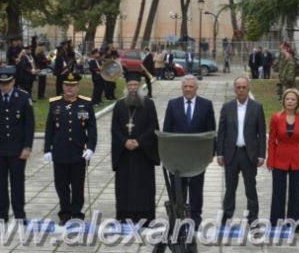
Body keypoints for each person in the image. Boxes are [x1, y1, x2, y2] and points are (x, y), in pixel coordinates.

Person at [0, 66, 35, 224]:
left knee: (17, 182)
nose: (4, 86)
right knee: (0, 183)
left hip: (17, 149)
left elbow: (29, 124)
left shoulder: (24, 97)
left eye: (7, 83)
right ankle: (1, 214)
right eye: (1, 83)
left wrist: (27, 147)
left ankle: (19, 214)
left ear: (13, 81)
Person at [43, 72, 97, 224]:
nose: (70, 89)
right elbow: (49, 128)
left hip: (78, 152)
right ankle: (64, 213)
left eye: (73, 86)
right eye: (67, 85)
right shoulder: (55, 104)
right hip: (60, 152)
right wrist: (47, 149)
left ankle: (77, 213)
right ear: (62, 86)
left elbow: (92, 128)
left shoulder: (85, 104)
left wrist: (91, 148)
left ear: (78, 87)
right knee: (61, 185)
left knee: (78, 185)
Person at [163, 75, 216, 226]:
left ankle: (195, 219)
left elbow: (211, 130)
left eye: (191, 87)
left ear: (196, 88)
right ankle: (177, 220)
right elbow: (167, 130)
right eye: (185, 86)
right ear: (182, 88)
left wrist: (212, 152)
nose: (188, 89)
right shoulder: (173, 104)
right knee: (178, 190)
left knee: (196, 189)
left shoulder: (206, 105)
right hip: (177, 158)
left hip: (198, 157)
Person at [111, 72, 160, 224]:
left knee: (143, 186)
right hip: (124, 153)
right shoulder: (119, 105)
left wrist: (139, 141)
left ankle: (145, 216)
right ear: (126, 87)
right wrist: (125, 141)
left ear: (140, 87)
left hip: (143, 153)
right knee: (124, 185)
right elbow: (114, 128)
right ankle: (125, 215)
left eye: (135, 85)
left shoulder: (149, 104)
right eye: (130, 85)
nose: (132, 88)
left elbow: (153, 127)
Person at [216, 77, 266, 224]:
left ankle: (253, 218)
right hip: (231, 154)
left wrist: (262, 155)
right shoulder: (227, 107)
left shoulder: (257, 107)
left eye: (244, 87)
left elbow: (262, 134)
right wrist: (219, 153)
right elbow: (222, 132)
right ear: (234, 89)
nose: (241, 90)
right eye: (238, 87)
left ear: (248, 88)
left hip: (249, 154)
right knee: (230, 188)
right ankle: (227, 216)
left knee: (250, 188)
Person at [267, 88, 299, 226]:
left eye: (293, 99)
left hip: (297, 160)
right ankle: (276, 221)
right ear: (283, 101)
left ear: (298, 102)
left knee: (295, 192)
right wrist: (270, 160)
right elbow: (272, 141)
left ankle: (294, 222)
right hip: (279, 159)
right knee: (278, 191)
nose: (290, 101)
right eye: (287, 99)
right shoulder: (276, 117)